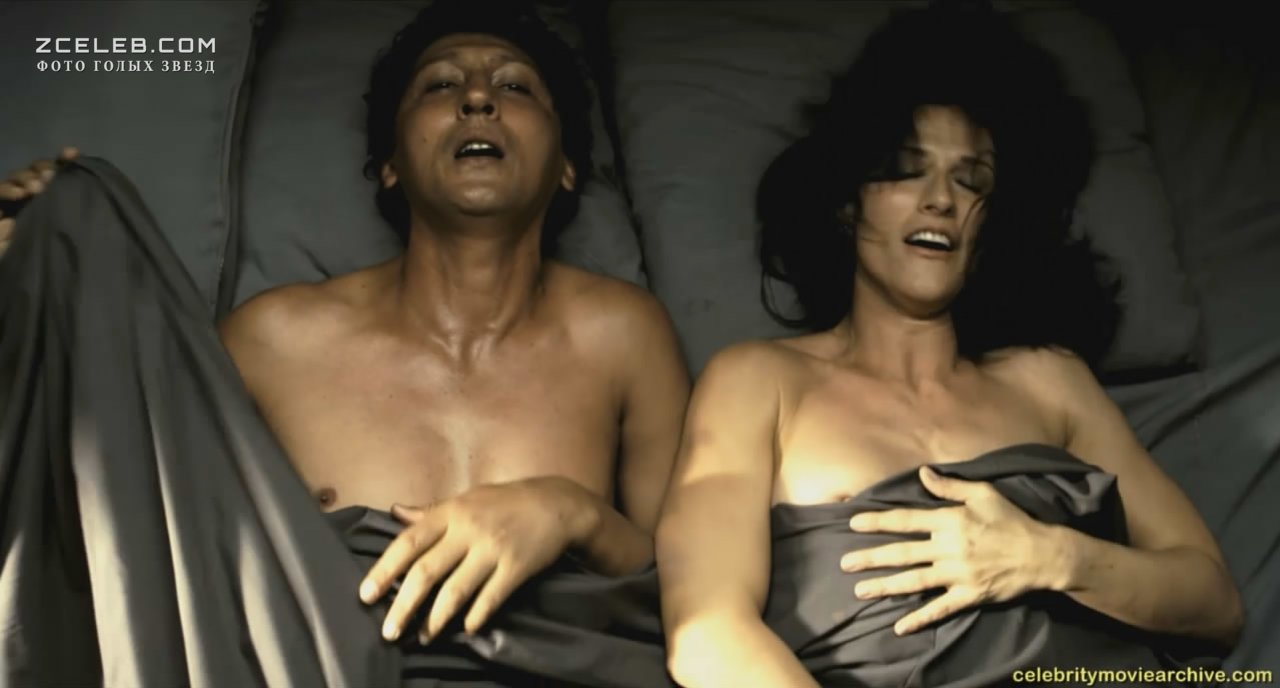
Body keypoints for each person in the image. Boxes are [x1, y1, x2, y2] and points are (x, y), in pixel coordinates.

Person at [0, 0, 689, 652]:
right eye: (440, 85)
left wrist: (568, 512)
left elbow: (693, 583)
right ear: (390, 165)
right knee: (84, 210)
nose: (477, 98)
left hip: (559, 669)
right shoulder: (274, 340)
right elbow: (133, 526)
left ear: (566, 166)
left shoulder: (621, 333)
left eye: (515, 87)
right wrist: (47, 276)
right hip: (319, 667)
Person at [655, 6, 1243, 687]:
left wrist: (1053, 558)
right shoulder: (759, 380)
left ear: (993, 224)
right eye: (907, 170)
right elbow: (708, 635)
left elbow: (1216, 603)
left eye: (972, 180)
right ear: (848, 203)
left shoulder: (1051, 380)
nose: (940, 198)